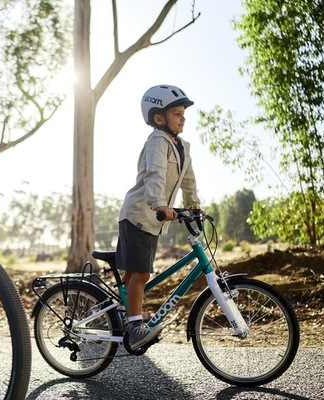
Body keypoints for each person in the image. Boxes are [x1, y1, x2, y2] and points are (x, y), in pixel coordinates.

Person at [116, 84, 201, 350]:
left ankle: (123, 312)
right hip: (140, 214)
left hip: (153, 221)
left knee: (133, 273)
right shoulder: (157, 141)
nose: (182, 117)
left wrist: (194, 205)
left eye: (183, 113)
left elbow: (188, 180)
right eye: (177, 112)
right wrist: (159, 204)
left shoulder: (182, 146)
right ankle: (134, 326)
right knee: (140, 274)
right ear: (158, 117)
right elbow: (155, 174)